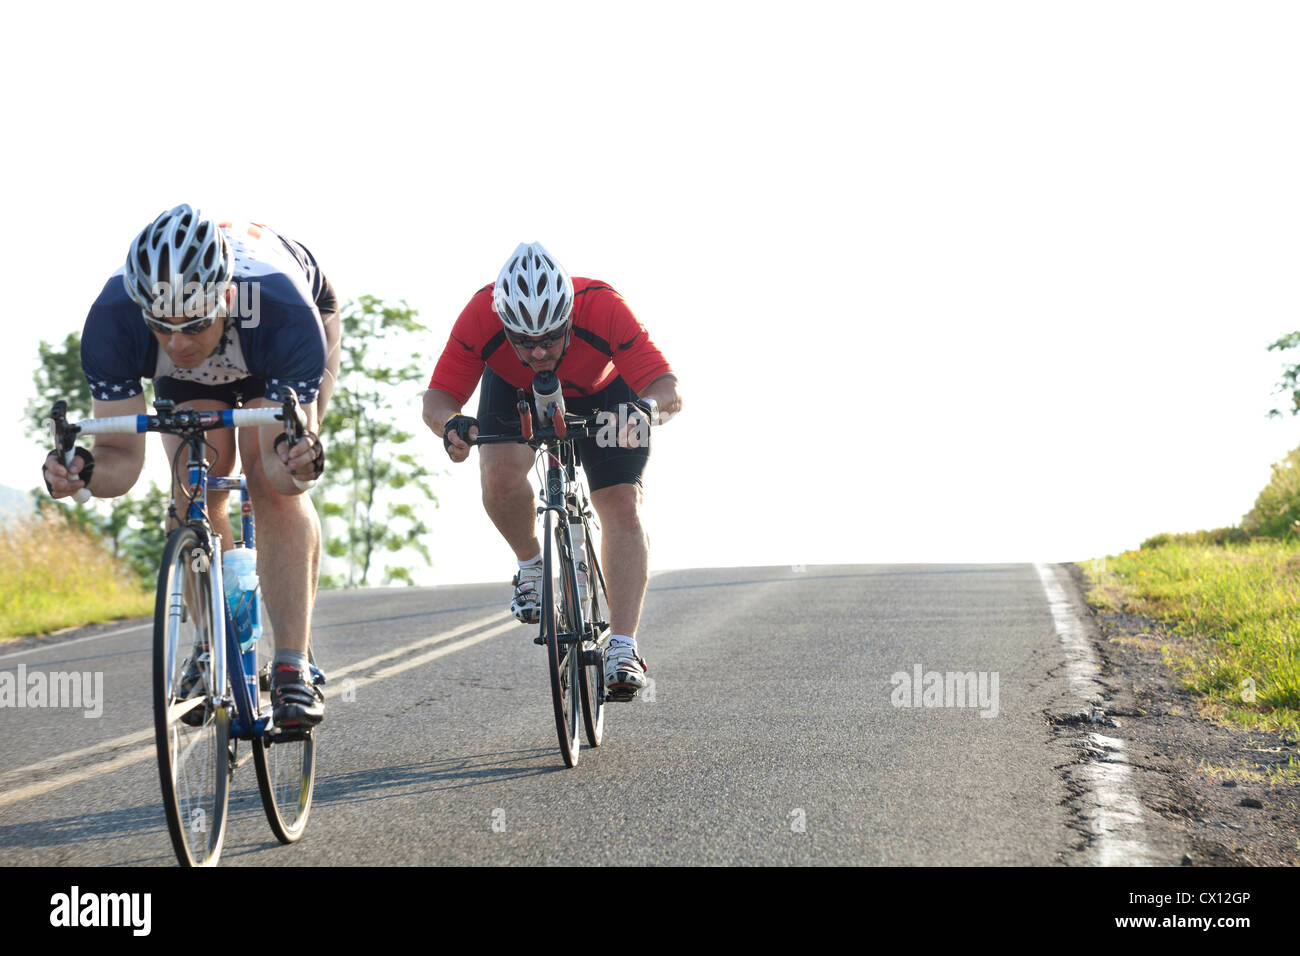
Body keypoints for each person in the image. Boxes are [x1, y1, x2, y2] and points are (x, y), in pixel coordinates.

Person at [41, 204, 337, 729]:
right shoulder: (113, 321)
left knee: (273, 486)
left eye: (193, 324)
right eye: (161, 327)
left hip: (280, 335)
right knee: (191, 488)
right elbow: (122, 463)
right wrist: (81, 470)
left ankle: (294, 663)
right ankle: (210, 648)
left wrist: (301, 459)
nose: (177, 343)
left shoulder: (282, 309)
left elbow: (285, 470)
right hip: (206, 373)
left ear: (223, 297)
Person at [423, 242, 682, 698]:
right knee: (499, 474)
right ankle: (531, 566)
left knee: (621, 502)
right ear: (504, 325)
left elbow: (667, 389)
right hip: (515, 389)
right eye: (523, 340)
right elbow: (437, 400)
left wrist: (645, 411)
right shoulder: (480, 317)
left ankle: (622, 646)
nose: (539, 351)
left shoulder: (602, 305)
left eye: (551, 337)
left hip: (606, 392)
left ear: (570, 318)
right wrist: (451, 425)